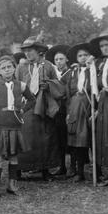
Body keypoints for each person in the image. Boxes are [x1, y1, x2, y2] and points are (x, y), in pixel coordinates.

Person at [0, 55, 36, 199]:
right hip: (1, 125)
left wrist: (23, 109)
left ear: (14, 68)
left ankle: (12, 185)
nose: (7, 70)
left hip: (15, 124)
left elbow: (32, 99)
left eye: (9, 67)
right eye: (3, 68)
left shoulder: (21, 85)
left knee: (13, 157)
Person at [16, 35, 65, 181]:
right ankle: (20, 169)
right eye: (25, 51)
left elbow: (57, 83)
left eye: (30, 50)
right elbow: (16, 86)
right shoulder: (21, 67)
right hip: (27, 105)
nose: (28, 54)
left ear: (38, 51)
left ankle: (45, 169)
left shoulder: (49, 66)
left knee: (45, 136)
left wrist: (48, 85)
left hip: (44, 104)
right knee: (25, 136)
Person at [64, 43, 95, 182]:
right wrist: (68, 111)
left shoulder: (93, 70)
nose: (83, 58)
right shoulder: (73, 72)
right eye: (80, 55)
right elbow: (68, 93)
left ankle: (97, 171)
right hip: (74, 107)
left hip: (88, 105)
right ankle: (79, 171)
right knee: (77, 141)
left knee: (90, 138)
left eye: (85, 55)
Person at [45, 44, 73, 177]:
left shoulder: (70, 73)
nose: (59, 62)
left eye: (61, 59)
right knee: (59, 138)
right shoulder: (55, 74)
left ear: (67, 59)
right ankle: (62, 166)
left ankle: (73, 166)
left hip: (67, 108)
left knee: (69, 138)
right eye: (56, 60)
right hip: (57, 110)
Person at [90, 29, 108, 186]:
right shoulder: (99, 63)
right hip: (103, 102)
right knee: (104, 136)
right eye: (102, 45)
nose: (105, 48)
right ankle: (107, 173)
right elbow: (94, 84)